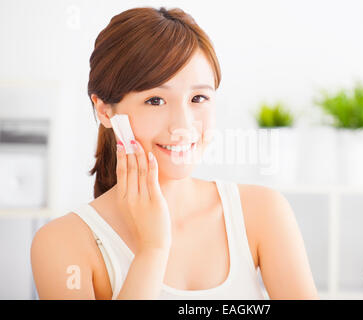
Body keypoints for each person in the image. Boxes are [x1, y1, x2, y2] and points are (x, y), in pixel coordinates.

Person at [30, 6, 318, 300]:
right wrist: (153, 250)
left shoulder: (262, 212)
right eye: (155, 100)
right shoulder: (61, 243)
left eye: (198, 98)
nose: (182, 125)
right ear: (105, 110)